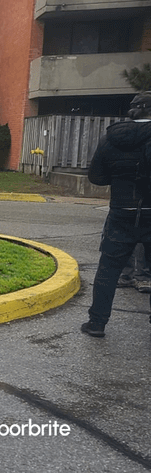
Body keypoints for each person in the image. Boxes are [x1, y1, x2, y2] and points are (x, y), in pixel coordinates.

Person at [83, 91, 151, 337]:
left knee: (108, 269)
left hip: (122, 211)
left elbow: (97, 177)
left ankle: (97, 323)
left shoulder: (112, 137)